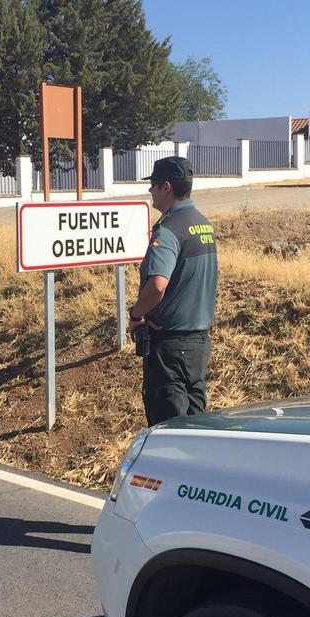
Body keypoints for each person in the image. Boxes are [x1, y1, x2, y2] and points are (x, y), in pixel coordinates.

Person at [128, 156, 218, 426]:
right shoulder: (203, 225)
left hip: (170, 348)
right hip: (198, 345)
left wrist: (136, 314)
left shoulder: (168, 230)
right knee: (195, 430)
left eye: (153, 185)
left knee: (170, 431)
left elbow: (157, 285)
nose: (150, 191)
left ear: (166, 187)